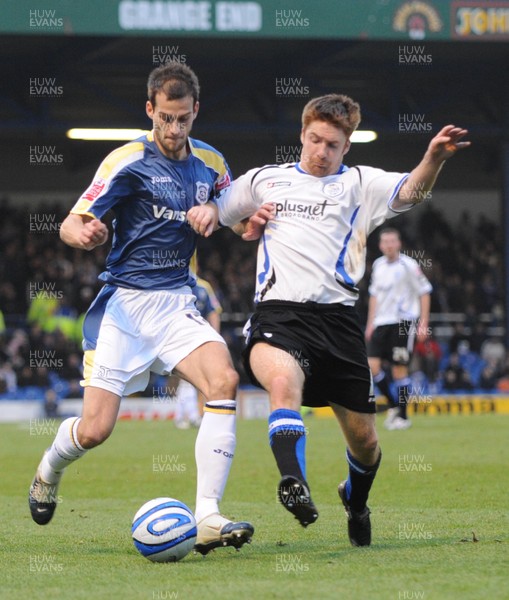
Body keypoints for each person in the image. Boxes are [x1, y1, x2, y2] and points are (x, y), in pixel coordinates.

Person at [189, 93, 469, 546]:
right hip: (279, 314)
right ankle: (293, 482)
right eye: (314, 140)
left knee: (366, 442)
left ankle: (355, 501)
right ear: (302, 134)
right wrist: (210, 215)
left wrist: (432, 158)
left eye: (332, 144)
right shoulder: (266, 179)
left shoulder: (362, 185)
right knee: (283, 384)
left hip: (339, 323)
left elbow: (412, 190)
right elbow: (220, 212)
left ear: (347, 147)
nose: (321, 151)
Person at [28, 62, 254, 556]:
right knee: (95, 430)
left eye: (184, 119)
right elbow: (72, 221)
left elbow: (240, 218)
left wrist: (222, 214)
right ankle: (50, 467)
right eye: (165, 119)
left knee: (225, 381)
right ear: (150, 110)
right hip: (125, 308)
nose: (174, 130)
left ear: (196, 112)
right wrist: (83, 233)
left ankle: (209, 516)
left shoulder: (212, 164)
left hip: (176, 302)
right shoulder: (127, 160)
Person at [365, 228, 432, 430]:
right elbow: (374, 296)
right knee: (372, 366)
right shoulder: (378, 265)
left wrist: (423, 323)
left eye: (392, 241)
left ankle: (403, 416)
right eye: (385, 242)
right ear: (380, 245)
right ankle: (394, 405)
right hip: (381, 323)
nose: (389, 245)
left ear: (399, 243)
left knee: (399, 369)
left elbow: (425, 292)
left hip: (403, 322)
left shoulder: (409, 265)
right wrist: (370, 323)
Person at [173, 276, 222, 429]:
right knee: (188, 378)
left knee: (194, 379)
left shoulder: (204, 286)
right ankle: (193, 416)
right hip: (180, 337)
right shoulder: (175, 282)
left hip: (200, 338)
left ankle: (183, 416)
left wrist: (215, 339)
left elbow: (213, 312)